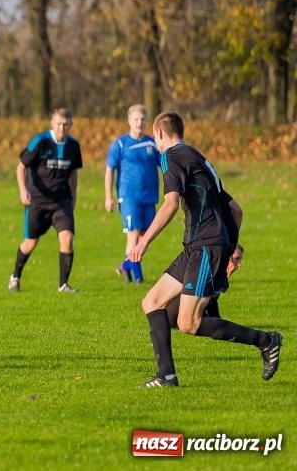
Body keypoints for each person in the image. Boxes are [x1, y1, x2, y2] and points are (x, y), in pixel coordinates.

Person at [129, 112, 280, 387]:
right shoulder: (198, 158)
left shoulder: (170, 156)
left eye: (155, 136)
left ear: (160, 134)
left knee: (189, 322)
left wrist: (144, 241)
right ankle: (166, 376)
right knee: (153, 303)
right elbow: (236, 209)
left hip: (205, 247)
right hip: (199, 246)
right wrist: (232, 248)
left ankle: (266, 341)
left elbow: (170, 203)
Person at [8, 108, 83, 293]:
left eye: (66, 124)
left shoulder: (73, 145)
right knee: (30, 242)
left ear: (71, 125)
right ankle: (15, 276)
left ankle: (63, 285)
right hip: (38, 202)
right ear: (52, 123)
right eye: (58, 123)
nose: (61, 128)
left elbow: (73, 173)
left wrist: (73, 196)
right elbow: (20, 168)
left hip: (62, 201)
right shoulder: (40, 141)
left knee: (67, 238)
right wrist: (23, 191)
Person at [104, 104, 160, 284]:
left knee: (145, 238)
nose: (139, 122)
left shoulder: (152, 143)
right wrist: (108, 196)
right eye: (136, 119)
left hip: (149, 196)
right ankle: (138, 277)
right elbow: (109, 171)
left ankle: (125, 266)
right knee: (133, 235)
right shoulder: (120, 144)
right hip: (129, 196)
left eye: (143, 119)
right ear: (129, 121)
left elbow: (165, 165)